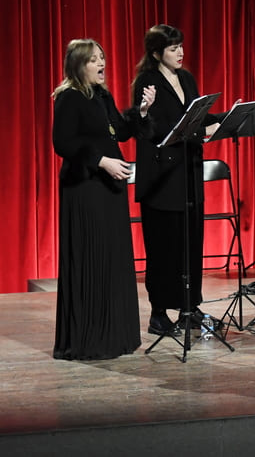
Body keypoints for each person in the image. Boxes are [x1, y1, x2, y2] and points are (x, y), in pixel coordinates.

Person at [52, 38, 156, 359]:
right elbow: (64, 142)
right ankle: (90, 339)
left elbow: (120, 132)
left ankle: (114, 335)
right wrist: (102, 161)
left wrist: (141, 111)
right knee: (92, 257)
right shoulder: (68, 98)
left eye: (102, 58)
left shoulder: (102, 94)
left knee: (111, 258)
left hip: (110, 188)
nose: (102, 64)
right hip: (86, 188)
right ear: (78, 65)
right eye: (94, 60)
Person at [131, 24, 222, 335]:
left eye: (181, 46)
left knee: (190, 242)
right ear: (157, 53)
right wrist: (199, 131)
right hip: (162, 177)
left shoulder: (186, 78)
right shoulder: (147, 80)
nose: (180, 52)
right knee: (164, 246)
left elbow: (195, 116)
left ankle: (189, 307)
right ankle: (159, 313)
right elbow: (154, 127)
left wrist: (225, 119)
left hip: (188, 174)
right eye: (173, 48)